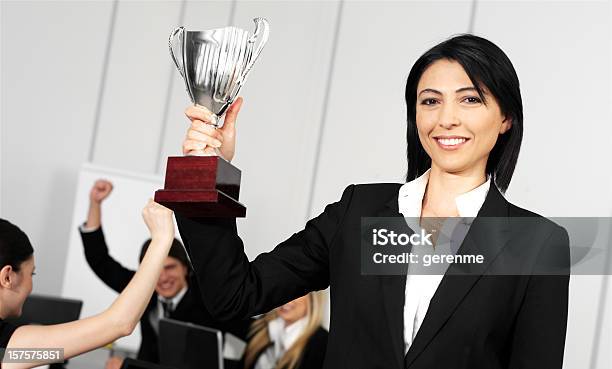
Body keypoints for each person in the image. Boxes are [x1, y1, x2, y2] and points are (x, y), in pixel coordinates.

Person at [176, 34, 571, 369]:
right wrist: (207, 173)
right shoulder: (359, 211)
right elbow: (236, 295)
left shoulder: (536, 244)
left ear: (505, 118)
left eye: (469, 100)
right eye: (430, 101)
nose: (446, 119)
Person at [80, 179, 250, 364]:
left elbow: (257, 336)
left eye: (170, 267)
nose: (163, 278)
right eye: (156, 270)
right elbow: (100, 261)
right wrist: (95, 203)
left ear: (185, 268)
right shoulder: (145, 292)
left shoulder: (210, 298)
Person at [0, 200, 175, 369]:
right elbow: (119, 324)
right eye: (32, 273)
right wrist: (161, 238)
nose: (31, 285)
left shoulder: (11, 354)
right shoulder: (9, 350)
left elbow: (54, 352)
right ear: (7, 277)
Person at [225, 292, 327, 369]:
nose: (286, 298)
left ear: (312, 299)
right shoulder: (262, 326)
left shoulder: (322, 344)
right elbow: (222, 318)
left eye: (297, 292)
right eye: (284, 289)